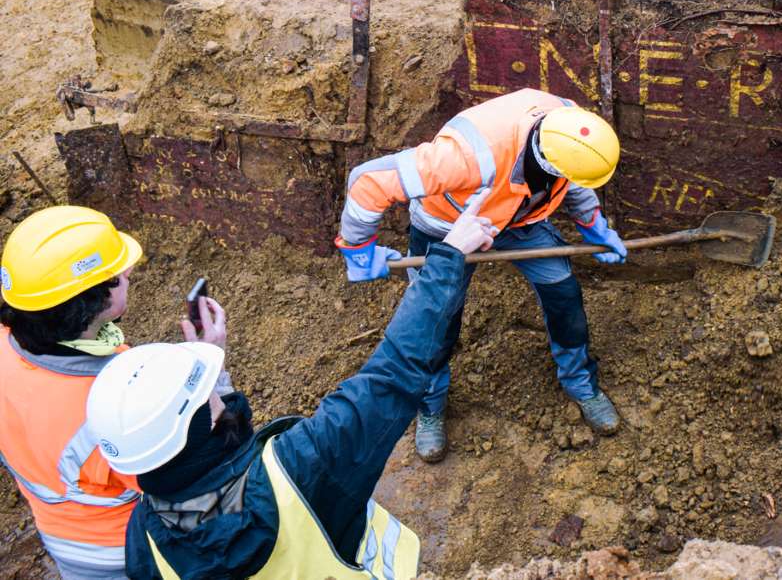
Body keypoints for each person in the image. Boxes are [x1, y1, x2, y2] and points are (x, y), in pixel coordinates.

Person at [84, 194, 496, 579]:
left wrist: (216, 376)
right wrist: (449, 257)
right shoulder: (305, 464)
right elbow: (394, 372)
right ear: (197, 426)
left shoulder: (144, 537)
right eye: (205, 392)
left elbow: (218, 467)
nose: (214, 388)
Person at [335, 88, 628, 462]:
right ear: (548, 160)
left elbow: (574, 176)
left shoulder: (570, 124)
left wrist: (592, 223)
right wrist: (358, 249)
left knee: (564, 294)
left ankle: (580, 383)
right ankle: (429, 404)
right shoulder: (466, 159)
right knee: (436, 319)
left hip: (521, 219)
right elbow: (368, 182)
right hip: (447, 227)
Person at [0, 206, 145, 579]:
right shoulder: (112, 400)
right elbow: (185, 481)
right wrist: (211, 369)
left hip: (61, 538)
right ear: (93, 301)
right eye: (118, 275)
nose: (128, 272)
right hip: (125, 552)